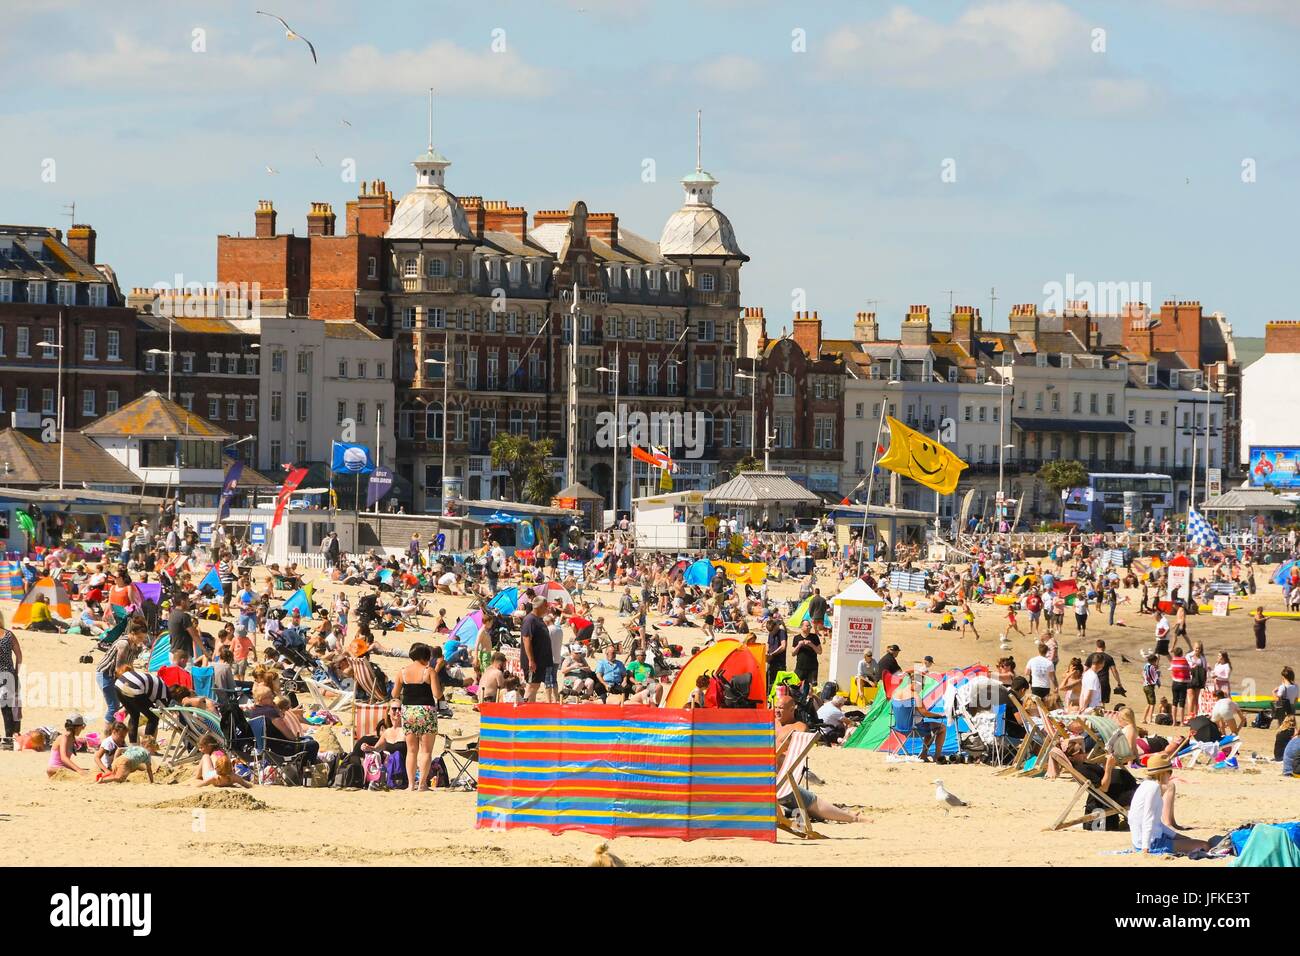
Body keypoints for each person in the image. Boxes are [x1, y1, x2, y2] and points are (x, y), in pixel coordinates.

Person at [773, 695, 863, 822]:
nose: (776, 710)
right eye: (775, 707)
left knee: (812, 804)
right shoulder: (770, 723)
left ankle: (853, 818)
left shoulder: (798, 727)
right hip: (770, 777)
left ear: (792, 709)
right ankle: (850, 816)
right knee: (808, 804)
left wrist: (775, 756)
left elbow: (794, 757)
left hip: (781, 779)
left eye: (781, 708)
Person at [1128, 754, 1209, 855]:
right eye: (1170, 772)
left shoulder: (1145, 785)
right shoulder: (1154, 788)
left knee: (1190, 841)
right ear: (1163, 773)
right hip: (1152, 843)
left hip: (1142, 841)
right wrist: (1146, 848)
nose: (1170, 776)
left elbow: (1154, 823)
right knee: (1204, 845)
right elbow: (1148, 819)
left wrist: (1178, 836)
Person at [391, 643, 440, 792]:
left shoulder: (402, 672)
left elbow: (394, 694)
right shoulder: (429, 671)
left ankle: (411, 784)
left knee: (411, 750)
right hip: (426, 710)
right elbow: (437, 694)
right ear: (425, 656)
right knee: (426, 751)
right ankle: (422, 785)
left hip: (409, 711)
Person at [0, 611, 23, 738]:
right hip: (9, 674)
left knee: (6, 706)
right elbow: (19, 656)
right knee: (14, 705)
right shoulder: (9, 634)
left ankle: (9, 737)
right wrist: (16, 672)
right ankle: (15, 734)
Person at [167, 592, 204, 665]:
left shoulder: (172, 614)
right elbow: (194, 635)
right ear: (182, 601)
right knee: (187, 675)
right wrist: (205, 651)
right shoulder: (184, 616)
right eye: (188, 601)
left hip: (173, 652)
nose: (189, 603)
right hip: (182, 655)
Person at [791, 620, 822, 688]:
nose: (809, 627)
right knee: (796, 687)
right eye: (807, 626)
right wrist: (799, 645)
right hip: (800, 667)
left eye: (810, 626)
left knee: (812, 688)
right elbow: (793, 653)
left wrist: (811, 644)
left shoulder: (814, 637)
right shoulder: (796, 638)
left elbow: (820, 651)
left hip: (812, 668)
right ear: (801, 627)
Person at [764, 618, 788, 689]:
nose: (771, 633)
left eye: (772, 631)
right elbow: (768, 643)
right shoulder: (770, 632)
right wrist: (767, 652)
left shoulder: (782, 632)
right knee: (768, 681)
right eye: (769, 631)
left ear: (775, 627)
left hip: (780, 662)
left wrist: (773, 653)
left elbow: (783, 646)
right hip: (771, 661)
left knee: (779, 683)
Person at [1141, 652, 1161, 724]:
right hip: (1149, 686)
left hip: (1145, 686)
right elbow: (1154, 677)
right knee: (1152, 704)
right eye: (1155, 661)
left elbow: (1143, 673)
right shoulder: (1152, 667)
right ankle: (1149, 719)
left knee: (1149, 703)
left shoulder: (1146, 665)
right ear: (1153, 661)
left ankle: (1144, 719)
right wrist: (1157, 674)